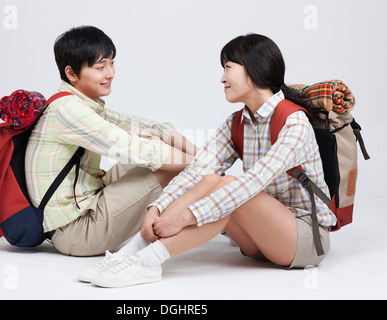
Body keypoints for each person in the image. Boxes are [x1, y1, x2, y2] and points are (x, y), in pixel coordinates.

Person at [80, 33, 337, 288]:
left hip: (304, 239)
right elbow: (197, 171)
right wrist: (156, 209)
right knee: (211, 179)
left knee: (229, 185)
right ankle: (127, 256)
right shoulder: (236, 123)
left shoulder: (294, 123)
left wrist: (184, 218)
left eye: (228, 68)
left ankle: (147, 263)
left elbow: (252, 183)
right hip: (257, 239)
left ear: (255, 68)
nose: (222, 78)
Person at [25, 26, 196, 257]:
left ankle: (214, 204)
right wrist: (204, 164)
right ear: (72, 73)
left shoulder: (82, 103)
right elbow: (131, 149)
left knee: (157, 142)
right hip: (74, 231)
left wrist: (203, 156)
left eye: (112, 63)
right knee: (164, 166)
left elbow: (149, 128)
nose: (110, 73)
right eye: (100, 67)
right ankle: (214, 215)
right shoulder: (68, 110)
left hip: (91, 195)